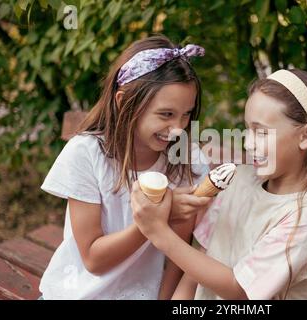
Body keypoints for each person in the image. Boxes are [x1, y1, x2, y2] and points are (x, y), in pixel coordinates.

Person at [132, 68, 307, 300]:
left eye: (261, 132)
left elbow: (241, 290)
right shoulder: (239, 180)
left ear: (306, 135)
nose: (249, 144)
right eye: (247, 130)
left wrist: (158, 232)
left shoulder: (306, 217)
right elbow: (198, 267)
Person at [38, 35, 212, 299]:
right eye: (166, 114)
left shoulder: (187, 161)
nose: (178, 129)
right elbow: (94, 259)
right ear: (123, 102)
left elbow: (176, 261)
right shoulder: (87, 153)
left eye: (186, 114)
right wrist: (155, 218)